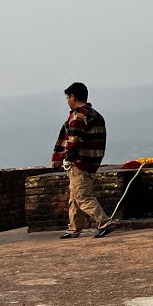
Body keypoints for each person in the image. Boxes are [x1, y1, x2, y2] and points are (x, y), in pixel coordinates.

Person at [52, 82, 117, 239]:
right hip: (91, 160)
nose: (67, 100)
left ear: (73, 97)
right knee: (75, 196)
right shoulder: (95, 114)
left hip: (79, 161)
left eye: (68, 97)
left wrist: (65, 156)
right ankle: (74, 228)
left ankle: (105, 222)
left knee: (82, 196)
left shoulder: (78, 115)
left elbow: (74, 140)